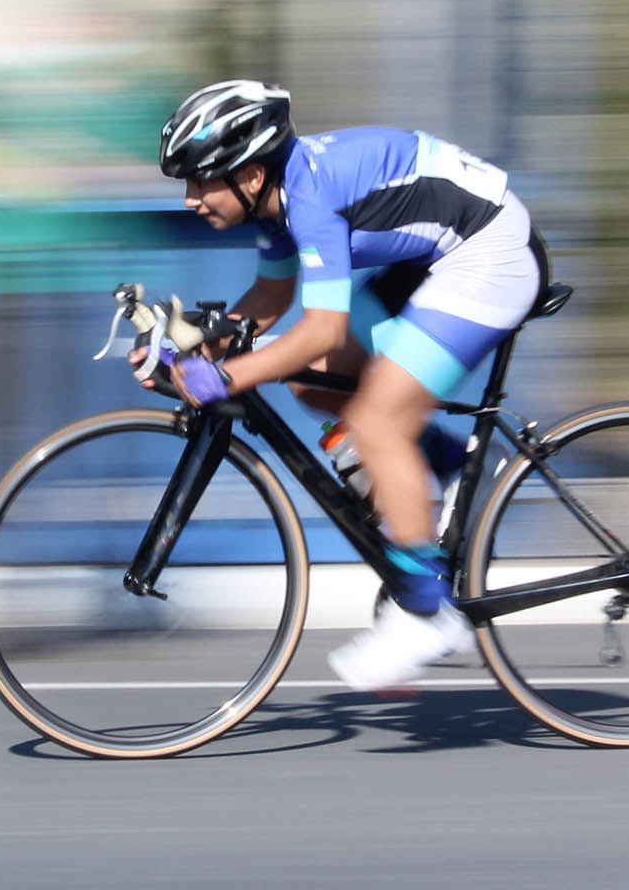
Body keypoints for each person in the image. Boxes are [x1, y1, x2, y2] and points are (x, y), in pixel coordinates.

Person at [149, 79, 545, 690]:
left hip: (488, 257)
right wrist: (184, 352)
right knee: (312, 387)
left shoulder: (309, 198)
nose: (190, 199)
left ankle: (426, 610)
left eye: (201, 180)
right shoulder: (276, 201)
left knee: (378, 420)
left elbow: (323, 332)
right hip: (434, 260)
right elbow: (271, 299)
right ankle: (445, 461)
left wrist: (221, 375)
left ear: (249, 176)